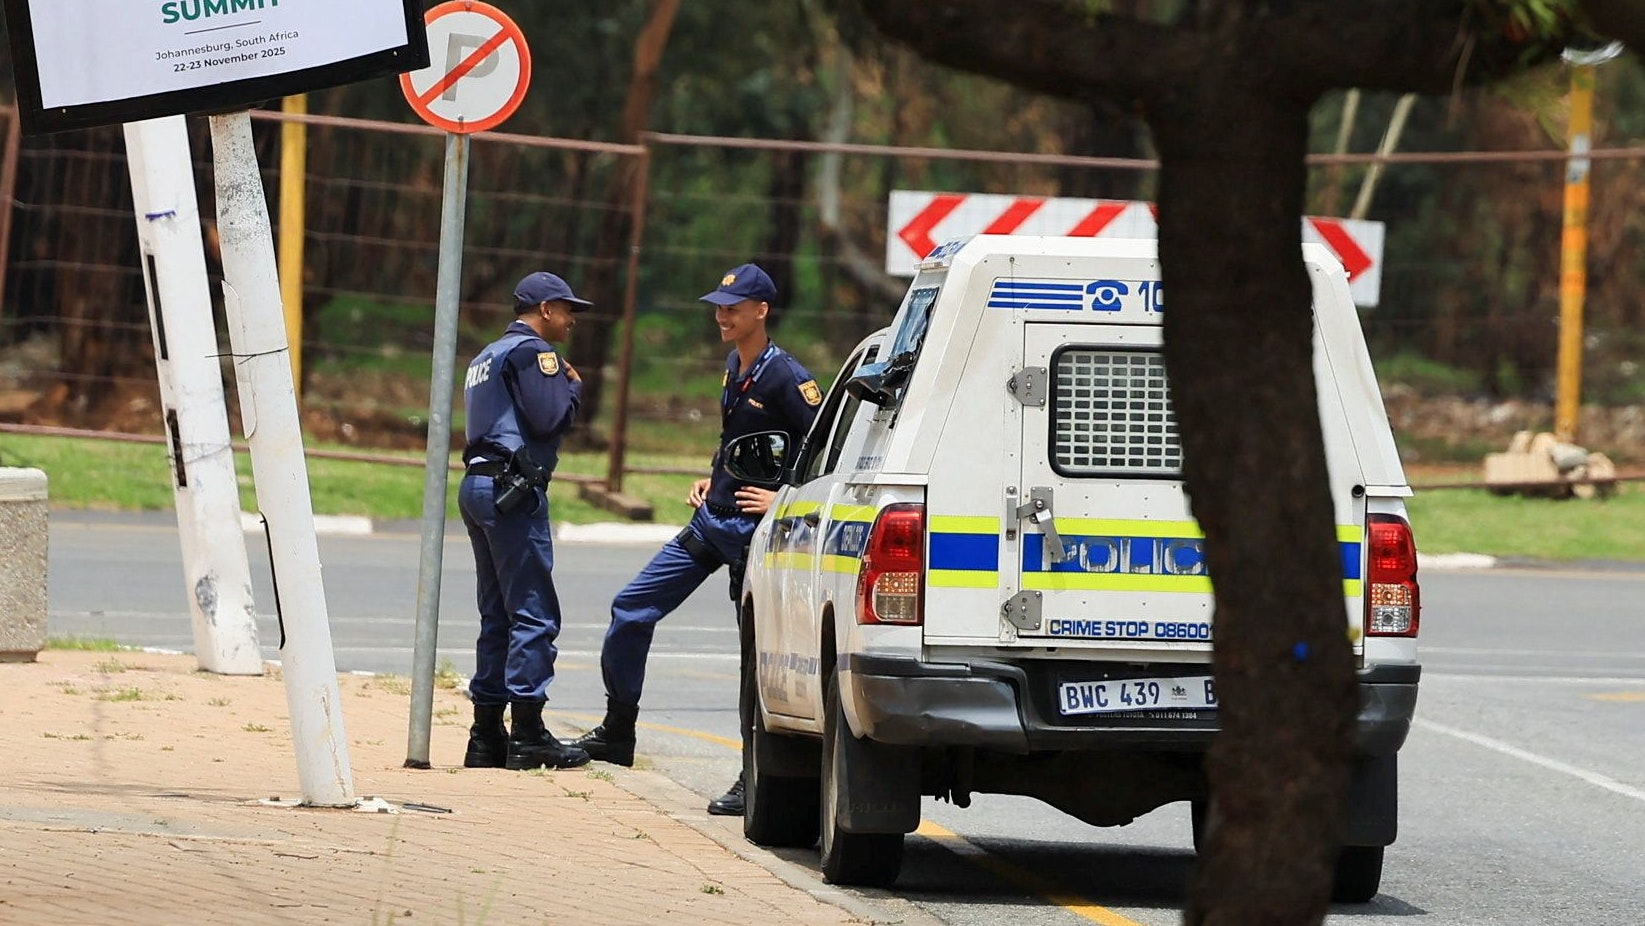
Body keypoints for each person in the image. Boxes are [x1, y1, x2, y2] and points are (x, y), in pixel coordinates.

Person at [571, 263, 822, 815]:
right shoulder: (735, 365)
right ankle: (618, 730)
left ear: (762, 311)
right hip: (713, 520)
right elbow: (735, 438)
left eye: (734, 308)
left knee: (755, 658)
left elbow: (822, 453)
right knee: (631, 608)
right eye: (718, 306)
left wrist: (784, 500)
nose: (722, 315)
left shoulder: (789, 378)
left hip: (754, 535)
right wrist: (718, 474)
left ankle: (753, 776)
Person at [458, 271, 593, 771]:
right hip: (513, 491)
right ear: (545, 310)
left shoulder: (484, 355)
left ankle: (486, 735)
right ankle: (529, 734)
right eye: (567, 309)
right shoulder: (537, 355)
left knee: (496, 614)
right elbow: (547, 420)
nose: (572, 319)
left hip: (478, 484)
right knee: (534, 614)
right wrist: (573, 389)